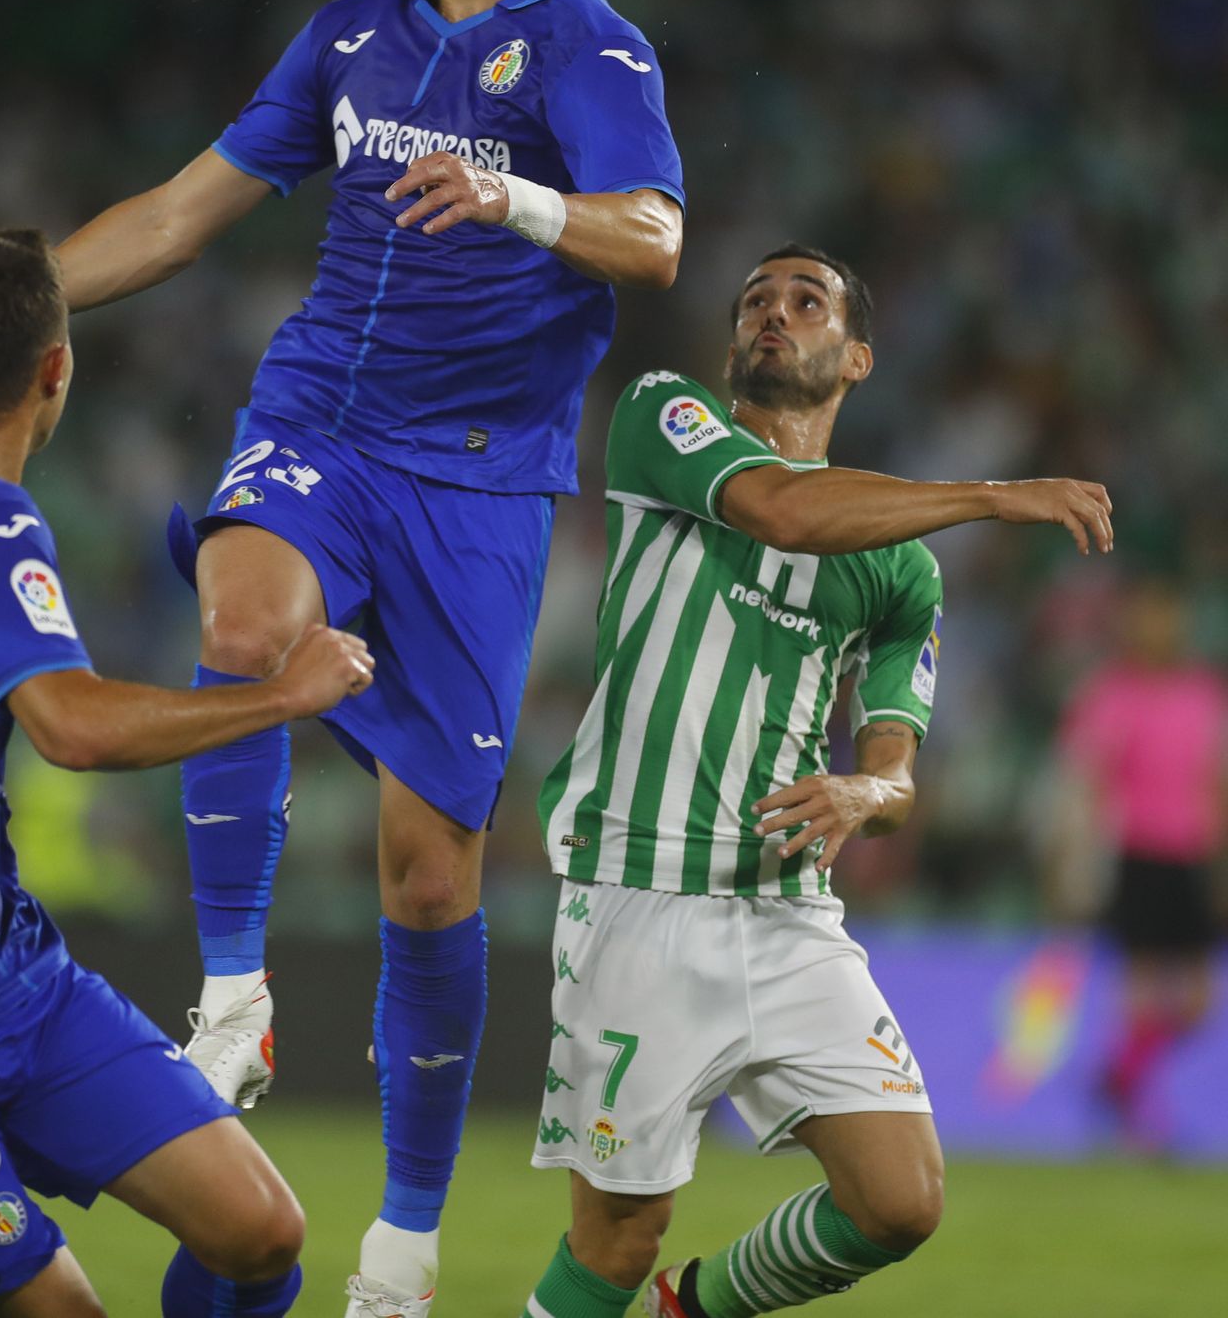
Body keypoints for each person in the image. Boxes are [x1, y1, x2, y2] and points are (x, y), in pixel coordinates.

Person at [0, 0, 685, 1316]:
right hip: (324, 418)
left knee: (431, 881)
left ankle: (406, 1246)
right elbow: (176, 214)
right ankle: (231, 991)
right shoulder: (348, 36)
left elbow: (655, 233)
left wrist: (514, 196)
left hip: (486, 486)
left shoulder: (589, 45)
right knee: (244, 621)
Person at [0, 229, 374, 1318]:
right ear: (56, 368)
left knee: (259, 1229)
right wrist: (281, 693)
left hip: (0, 977)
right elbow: (71, 727)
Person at [520, 244, 1115, 1318]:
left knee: (899, 1201)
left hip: (789, 910)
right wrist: (992, 494)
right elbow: (784, 511)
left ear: (857, 358)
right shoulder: (667, 418)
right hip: (640, 893)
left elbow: (897, 768)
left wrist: (862, 794)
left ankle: (689, 1306)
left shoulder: (900, 567)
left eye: (806, 302)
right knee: (614, 1236)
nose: (773, 313)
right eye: (756, 299)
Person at [1054, 574, 1227, 1149]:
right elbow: (1087, 780)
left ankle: (1118, 1077)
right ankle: (1136, 1119)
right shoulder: (1112, 692)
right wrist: (1077, 859)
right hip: (1138, 854)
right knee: (1143, 991)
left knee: (1198, 1003)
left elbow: (1217, 781)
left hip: (1192, 856)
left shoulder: (1203, 693)